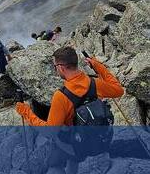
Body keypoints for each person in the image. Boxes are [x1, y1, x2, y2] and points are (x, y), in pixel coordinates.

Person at [15, 46, 124, 174]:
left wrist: (25, 111)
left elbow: (50, 131)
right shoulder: (95, 84)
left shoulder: (61, 96)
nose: (56, 70)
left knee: (54, 158)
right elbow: (119, 90)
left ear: (61, 67)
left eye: (55, 66)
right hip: (101, 139)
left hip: (77, 146)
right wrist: (97, 66)